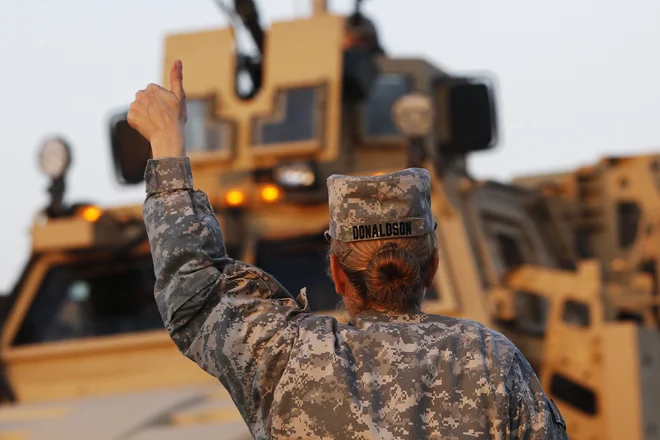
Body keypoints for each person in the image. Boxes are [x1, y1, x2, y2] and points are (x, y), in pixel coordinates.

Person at [128, 60, 569, 439]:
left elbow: (194, 292)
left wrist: (168, 143)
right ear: (431, 267)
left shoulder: (287, 359)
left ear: (337, 273)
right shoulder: (491, 359)